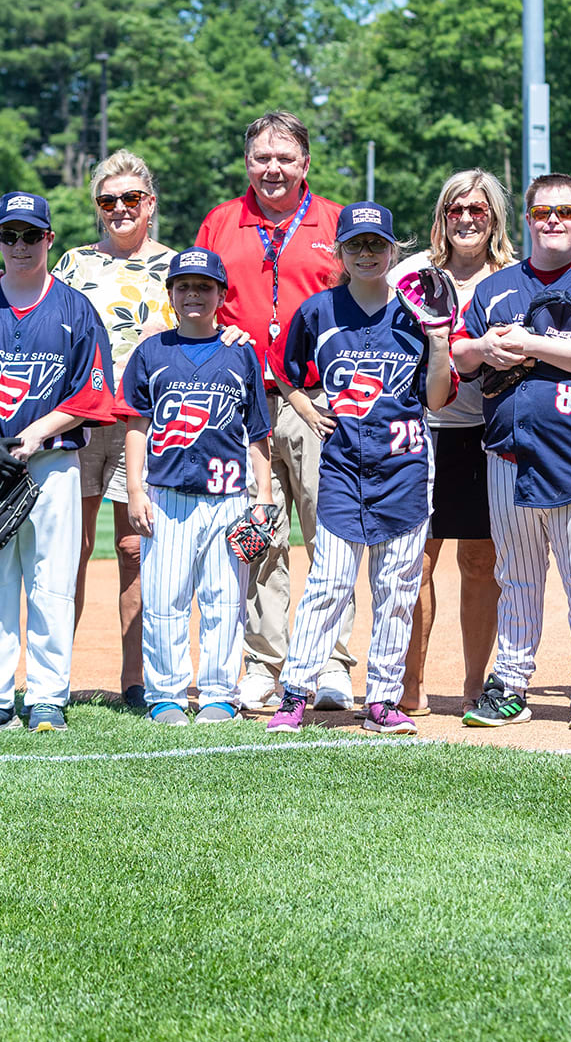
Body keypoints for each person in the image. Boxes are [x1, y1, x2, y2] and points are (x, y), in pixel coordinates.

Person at [267, 204, 454, 735]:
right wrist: (305, 408)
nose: (366, 253)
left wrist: (440, 340)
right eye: (355, 244)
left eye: (376, 244)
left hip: (405, 467)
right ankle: (295, 694)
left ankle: (382, 700)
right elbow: (281, 368)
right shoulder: (319, 310)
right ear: (340, 252)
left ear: (393, 250)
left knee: (397, 588)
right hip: (344, 464)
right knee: (329, 582)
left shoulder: (416, 310)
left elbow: (435, 399)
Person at [0, 193, 115, 734]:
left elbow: (91, 393)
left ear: (49, 239)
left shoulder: (75, 309)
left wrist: (34, 435)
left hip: (53, 461)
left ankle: (47, 696)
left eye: (31, 235)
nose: (20, 245)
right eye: (9, 235)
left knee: (52, 580)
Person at [454, 173, 571, 731]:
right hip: (508, 454)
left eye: (566, 212)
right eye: (542, 212)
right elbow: (460, 355)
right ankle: (510, 683)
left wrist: (528, 343)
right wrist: (484, 345)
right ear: (528, 220)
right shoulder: (496, 288)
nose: (554, 220)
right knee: (517, 575)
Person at [194, 111, 348, 712]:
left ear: (305, 163)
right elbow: (195, 300)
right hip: (243, 401)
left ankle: (331, 662)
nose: (273, 168)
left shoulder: (335, 221)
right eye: (262, 157)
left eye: (285, 158)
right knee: (259, 535)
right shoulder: (221, 221)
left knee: (330, 534)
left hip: (318, 400)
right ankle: (264, 663)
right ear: (247, 163)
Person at [120, 249, 272, 726]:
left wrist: (264, 498)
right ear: (169, 294)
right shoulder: (151, 352)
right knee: (165, 600)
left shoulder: (241, 352)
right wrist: (136, 490)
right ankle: (165, 694)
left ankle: (219, 694)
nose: (193, 294)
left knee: (224, 600)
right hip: (167, 495)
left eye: (204, 286)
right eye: (183, 286)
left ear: (221, 295)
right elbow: (136, 425)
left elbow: (258, 433)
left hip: (229, 497)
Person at [54, 151, 177, 712]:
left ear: (150, 202)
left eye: (131, 198)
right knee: (70, 550)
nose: (120, 209)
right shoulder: (73, 264)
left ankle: (137, 678)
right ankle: (54, 678)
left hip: (144, 425)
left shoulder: (176, 267)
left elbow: (206, 323)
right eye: (108, 200)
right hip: (79, 423)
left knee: (134, 549)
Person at [391, 170, 518, 713]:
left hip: (485, 434)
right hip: (419, 432)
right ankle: (410, 685)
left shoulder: (514, 276)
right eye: (455, 210)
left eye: (478, 210)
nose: (466, 219)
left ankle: (473, 684)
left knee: (479, 563)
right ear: (442, 217)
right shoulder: (411, 274)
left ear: (495, 218)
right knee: (414, 563)